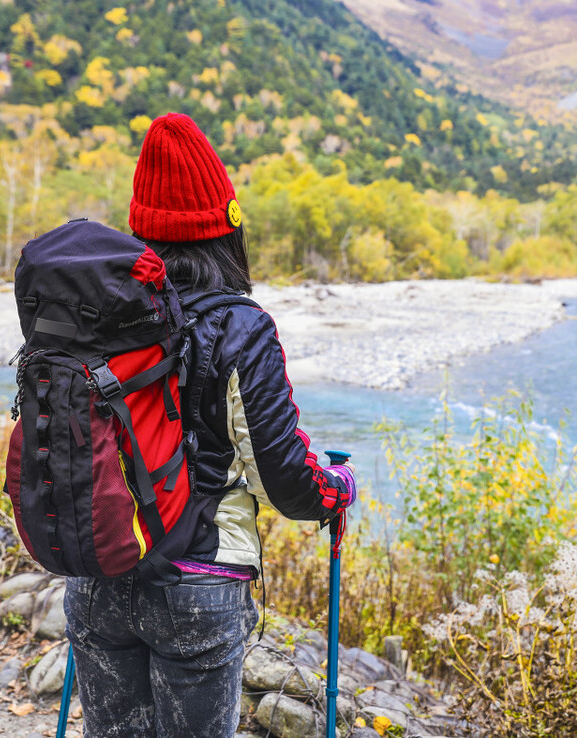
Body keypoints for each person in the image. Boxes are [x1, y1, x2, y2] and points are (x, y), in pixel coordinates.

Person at [63, 112, 358, 737]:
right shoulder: (240, 327)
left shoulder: (96, 312)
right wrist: (336, 488)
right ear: (225, 227)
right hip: (199, 583)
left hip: (99, 568)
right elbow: (284, 481)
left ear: (142, 225)